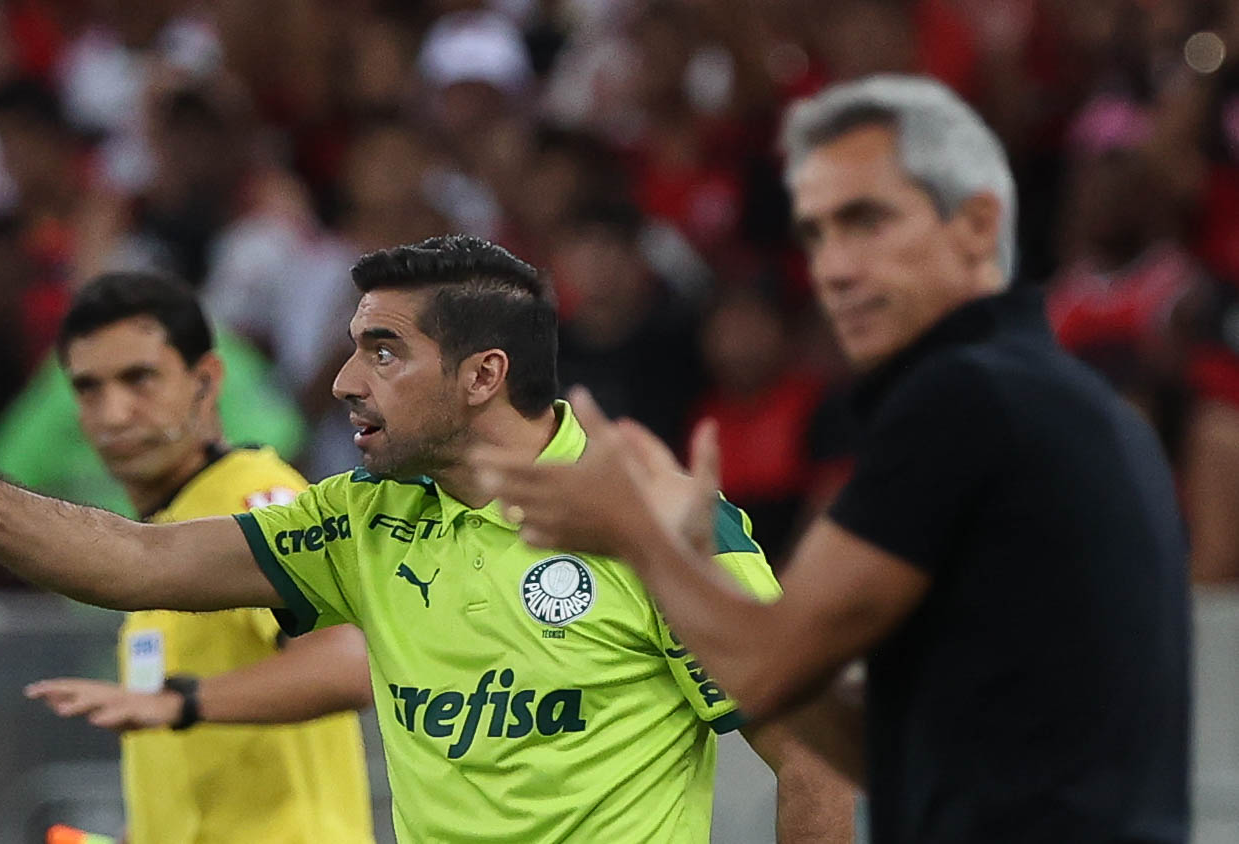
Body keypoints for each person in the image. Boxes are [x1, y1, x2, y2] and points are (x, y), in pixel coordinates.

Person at [0, 236, 854, 843]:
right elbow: (139, 560)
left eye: (383, 351)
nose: (341, 382)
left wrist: (189, 703)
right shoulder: (365, 520)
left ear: (484, 375)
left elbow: (809, 760)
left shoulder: (658, 525)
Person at [471, 75, 1191, 843]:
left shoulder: (964, 404)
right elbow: (877, 744)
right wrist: (690, 558)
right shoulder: (1060, 403)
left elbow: (765, 667)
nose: (836, 269)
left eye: (867, 221)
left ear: (979, 224)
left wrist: (634, 534)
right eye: (818, 234)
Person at [14, 272, 374, 844]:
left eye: (140, 379)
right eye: (89, 388)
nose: (113, 414)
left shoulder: (254, 500)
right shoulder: (167, 533)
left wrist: (181, 703)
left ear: (206, 381)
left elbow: (352, 661)